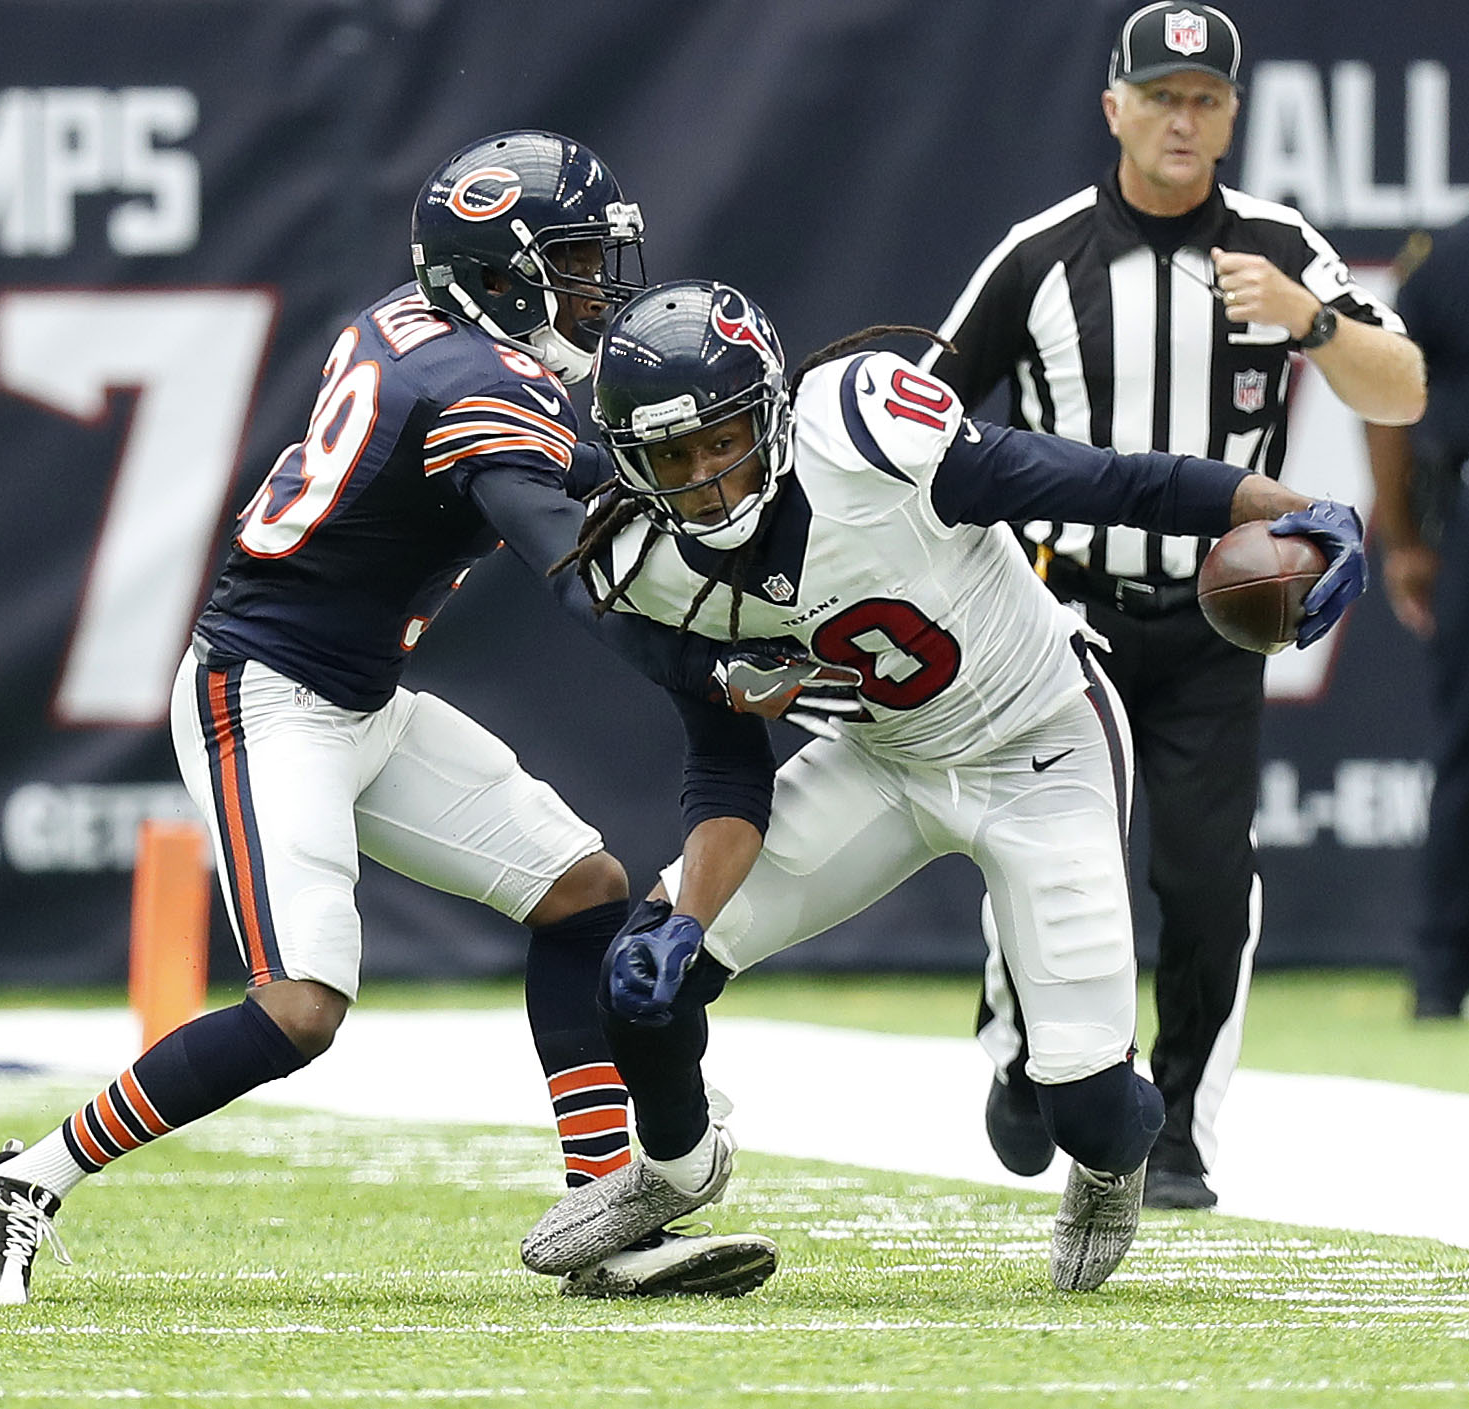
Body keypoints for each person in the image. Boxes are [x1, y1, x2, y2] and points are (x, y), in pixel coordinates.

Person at [0, 131, 806, 1307]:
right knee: (299, 1007)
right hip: (266, 692)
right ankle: (21, 1179)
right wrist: (712, 669)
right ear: (499, 272)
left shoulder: (425, 323)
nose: (593, 289)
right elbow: (577, 575)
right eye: (569, 262)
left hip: (362, 692)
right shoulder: (474, 384)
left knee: (583, 890)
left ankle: (605, 1218)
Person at [516, 277, 1366, 1293]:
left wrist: (1293, 510)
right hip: (884, 758)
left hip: (1040, 741)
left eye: (721, 437)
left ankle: (1111, 1160)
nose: (707, 479)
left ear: (774, 412)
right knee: (639, 984)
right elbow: (726, 765)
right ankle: (674, 1167)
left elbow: (1106, 484)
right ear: (629, 462)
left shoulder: (869, 440)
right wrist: (685, 913)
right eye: (672, 456)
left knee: (1087, 1106)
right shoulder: (650, 565)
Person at [920, 2, 1425, 1209]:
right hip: (1058, 614)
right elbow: (926, 408)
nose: (1181, 119)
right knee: (1053, 848)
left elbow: (1401, 392)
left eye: (1203, 99)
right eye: (1159, 96)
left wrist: (1309, 318)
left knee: (1204, 877)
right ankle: (1019, 1038)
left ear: (1233, 116)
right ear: (1114, 109)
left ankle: (1180, 1130)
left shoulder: (1275, 244)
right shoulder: (1040, 255)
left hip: (1216, 620)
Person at [1365, 216, 1469, 1021]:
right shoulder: (1445, 259)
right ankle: (1435, 972)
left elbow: (1389, 403)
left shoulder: (1442, 255)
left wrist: (1403, 538)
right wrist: (1400, 535)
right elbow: (1389, 397)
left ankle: (1438, 978)